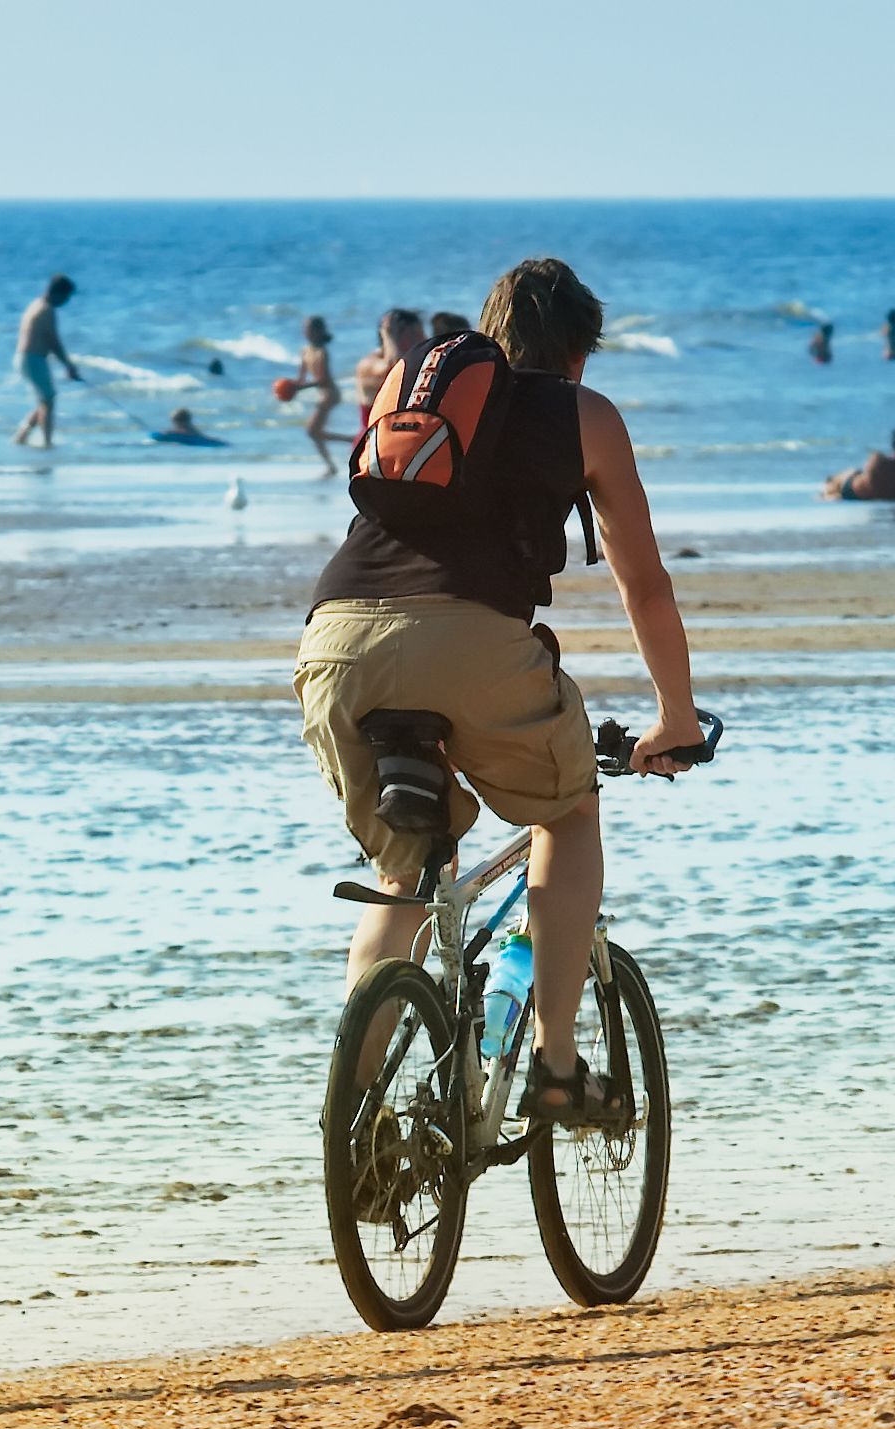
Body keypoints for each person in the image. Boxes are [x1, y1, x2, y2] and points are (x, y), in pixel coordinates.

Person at [295, 257, 701, 1121]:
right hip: (471, 643)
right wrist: (673, 716)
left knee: (402, 871)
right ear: (581, 353)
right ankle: (556, 1065)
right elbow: (646, 584)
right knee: (569, 813)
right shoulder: (583, 414)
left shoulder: (418, 396)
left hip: (335, 642)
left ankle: (354, 1126)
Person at [11, 275, 81, 448]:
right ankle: (47, 442)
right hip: (32, 358)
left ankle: (21, 437)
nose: (66, 302)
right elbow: (53, 341)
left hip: (24, 358)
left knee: (45, 400)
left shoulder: (35, 304)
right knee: (48, 399)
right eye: (66, 297)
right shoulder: (47, 309)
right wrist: (68, 365)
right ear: (58, 293)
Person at [822, 425, 895, 500]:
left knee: (849, 474)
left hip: (853, 491)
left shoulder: (878, 460)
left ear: (893, 444)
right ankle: (830, 485)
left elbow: (872, 472)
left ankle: (828, 484)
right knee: (853, 473)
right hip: (865, 492)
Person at [295, 315, 348, 476]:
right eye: (304, 329)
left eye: (309, 329)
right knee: (314, 432)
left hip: (330, 393)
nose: (305, 332)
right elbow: (301, 379)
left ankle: (353, 441)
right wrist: (290, 388)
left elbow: (323, 379)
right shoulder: (304, 351)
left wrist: (302, 387)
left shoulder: (322, 352)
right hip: (322, 394)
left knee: (312, 431)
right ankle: (331, 465)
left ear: (318, 332)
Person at [354, 309, 423, 430]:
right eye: (414, 334)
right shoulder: (368, 363)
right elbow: (394, 371)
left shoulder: (412, 360)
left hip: (396, 435)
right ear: (394, 334)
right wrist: (388, 336)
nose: (422, 339)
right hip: (372, 441)